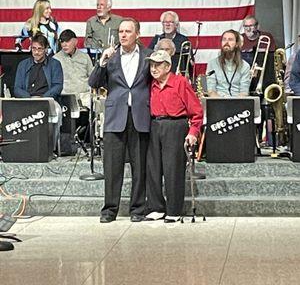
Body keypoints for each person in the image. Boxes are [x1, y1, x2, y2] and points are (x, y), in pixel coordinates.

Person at [88, 18, 151, 223]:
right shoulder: (111, 57)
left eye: (128, 31)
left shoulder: (148, 56)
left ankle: (138, 209)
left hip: (140, 116)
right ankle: (109, 210)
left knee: (139, 166)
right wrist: (102, 62)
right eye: (121, 31)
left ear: (137, 34)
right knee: (112, 167)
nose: (123, 35)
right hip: (115, 117)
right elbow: (94, 82)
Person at [144, 50, 203, 223]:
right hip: (154, 124)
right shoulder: (150, 84)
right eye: (152, 65)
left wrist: (193, 132)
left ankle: (174, 209)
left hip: (175, 125)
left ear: (168, 66)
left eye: (158, 65)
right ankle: (156, 207)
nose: (153, 69)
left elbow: (196, 110)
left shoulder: (180, 82)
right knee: (153, 167)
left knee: (173, 168)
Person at [14, 33, 63, 100]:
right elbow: (17, 89)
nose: (36, 52)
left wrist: (43, 98)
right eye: (34, 48)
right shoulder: (23, 65)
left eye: (40, 49)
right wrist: (29, 98)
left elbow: (58, 86)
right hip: (27, 101)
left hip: (47, 101)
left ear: (46, 49)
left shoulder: (55, 64)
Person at [54, 29, 93, 107]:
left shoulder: (85, 57)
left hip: (84, 99)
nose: (64, 44)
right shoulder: (55, 59)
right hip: (64, 99)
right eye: (62, 42)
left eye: (67, 41)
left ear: (75, 41)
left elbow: (92, 78)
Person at [206, 29, 251, 97]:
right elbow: (211, 91)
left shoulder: (245, 66)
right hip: (218, 102)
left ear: (236, 44)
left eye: (230, 39)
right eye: (224, 39)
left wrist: (234, 105)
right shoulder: (212, 64)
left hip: (238, 103)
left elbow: (244, 92)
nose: (226, 42)